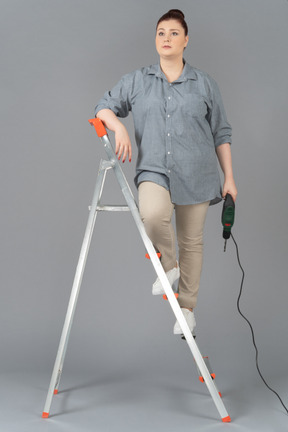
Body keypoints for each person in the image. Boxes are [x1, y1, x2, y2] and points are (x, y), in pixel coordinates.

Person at [95, 9, 237, 336]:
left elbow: (222, 133)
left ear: (186, 40)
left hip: (198, 173)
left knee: (192, 242)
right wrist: (118, 127)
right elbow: (102, 106)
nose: (166, 39)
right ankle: (169, 267)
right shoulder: (137, 80)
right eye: (161, 33)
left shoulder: (204, 84)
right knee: (152, 214)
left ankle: (187, 309)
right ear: (155, 40)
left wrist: (229, 178)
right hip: (154, 170)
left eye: (174, 33)